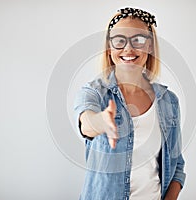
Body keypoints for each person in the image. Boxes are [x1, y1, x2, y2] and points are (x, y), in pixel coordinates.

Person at [74, 7, 186, 200]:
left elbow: (177, 167)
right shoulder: (94, 93)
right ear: (109, 48)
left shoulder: (169, 101)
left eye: (138, 40)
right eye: (119, 40)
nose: (128, 48)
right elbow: (87, 123)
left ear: (149, 46)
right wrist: (101, 122)